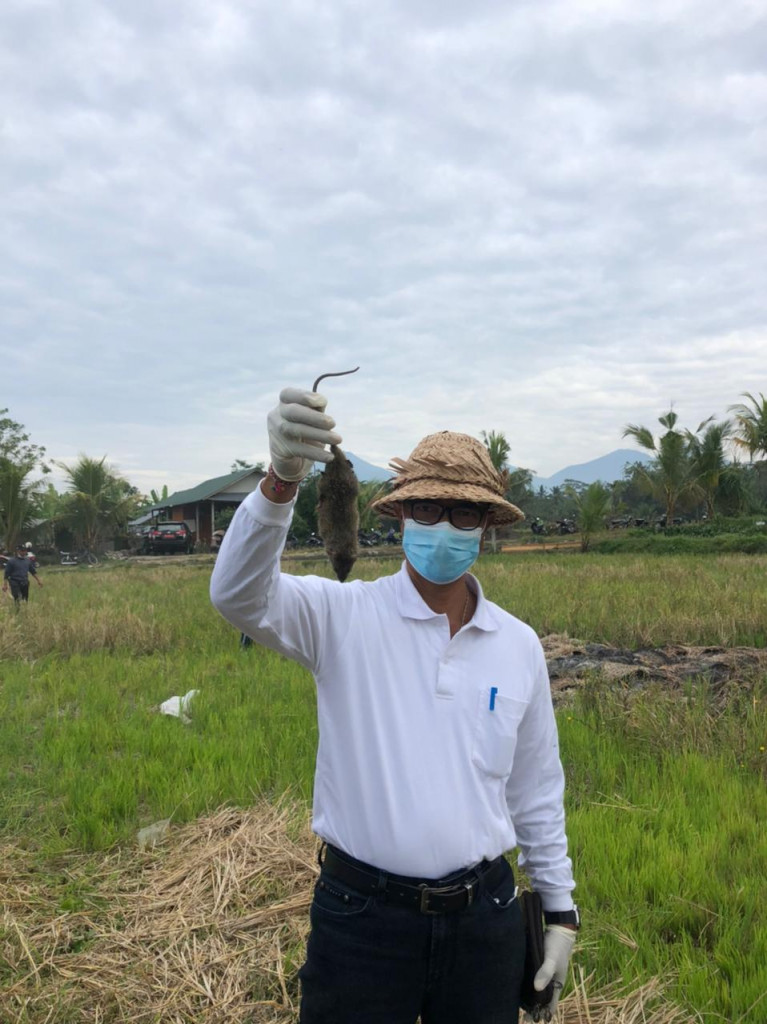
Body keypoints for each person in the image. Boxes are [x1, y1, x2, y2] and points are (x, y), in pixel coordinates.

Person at [210, 386, 579, 1024]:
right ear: (400, 516)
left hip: (485, 919)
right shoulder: (342, 616)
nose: (445, 525)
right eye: (428, 508)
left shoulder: (517, 646)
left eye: (464, 513)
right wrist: (280, 481)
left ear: (487, 527)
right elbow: (240, 596)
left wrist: (559, 906)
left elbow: (536, 788)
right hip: (362, 922)